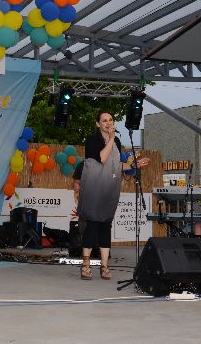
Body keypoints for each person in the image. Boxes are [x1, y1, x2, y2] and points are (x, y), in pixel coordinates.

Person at [77, 111, 150, 280]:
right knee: (92, 224)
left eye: (110, 120)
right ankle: (86, 264)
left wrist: (135, 165)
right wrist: (110, 138)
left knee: (105, 226)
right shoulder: (92, 140)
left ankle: (104, 266)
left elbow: (117, 165)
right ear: (98, 124)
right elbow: (102, 158)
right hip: (94, 189)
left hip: (109, 189)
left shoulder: (116, 141)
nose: (108, 123)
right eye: (104, 121)